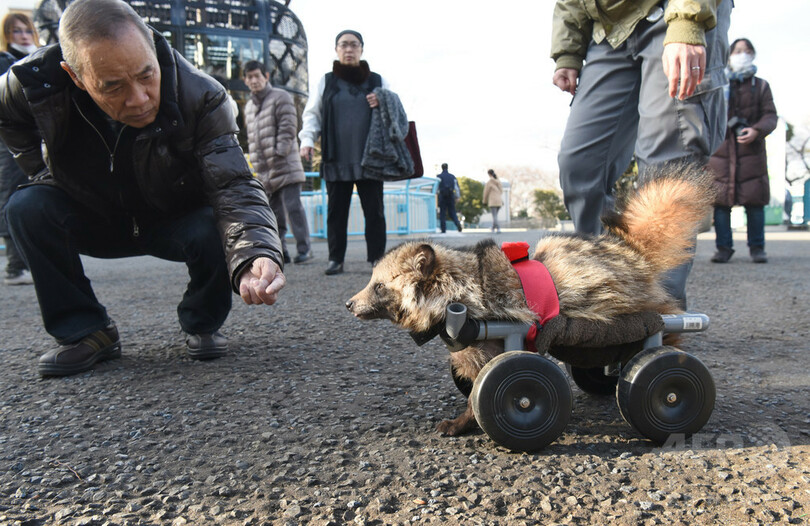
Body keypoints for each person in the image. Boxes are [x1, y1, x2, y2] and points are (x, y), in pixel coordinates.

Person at [0, 0, 285, 377]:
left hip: (172, 218)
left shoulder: (201, 95)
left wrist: (255, 253)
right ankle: (86, 330)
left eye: (146, 75)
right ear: (74, 75)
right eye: (112, 86)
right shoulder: (32, 82)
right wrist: (40, 171)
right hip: (94, 214)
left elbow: (233, 184)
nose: (138, 99)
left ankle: (203, 322)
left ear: (152, 45)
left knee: (212, 223)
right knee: (27, 206)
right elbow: (7, 118)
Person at [552, 0, 731, 308]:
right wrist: (567, 50)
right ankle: (605, 293)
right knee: (579, 165)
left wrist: (687, 21)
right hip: (608, 29)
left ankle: (657, 312)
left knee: (665, 168)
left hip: (674, 13)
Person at [299, 29, 388, 276]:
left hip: (370, 159)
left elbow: (396, 112)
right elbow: (312, 114)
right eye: (344, 45)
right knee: (336, 212)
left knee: (375, 212)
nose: (349, 49)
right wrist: (307, 140)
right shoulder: (326, 81)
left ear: (362, 49)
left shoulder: (378, 81)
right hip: (336, 157)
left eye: (354, 45)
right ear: (336, 50)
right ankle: (335, 259)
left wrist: (383, 102)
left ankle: (378, 260)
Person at [708, 38, 777, 264]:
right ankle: (723, 248)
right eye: (737, 50)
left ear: (753, 54)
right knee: (720, 203)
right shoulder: (719, 83)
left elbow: (770, 116)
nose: (742, 54)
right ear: (729, 55)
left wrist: (756, 130)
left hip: (751, 153)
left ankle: (757, 248)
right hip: (721, 152)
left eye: (746, 51)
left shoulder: (761, 86)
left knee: (755, 203)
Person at [243, 60, 313, 265]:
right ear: (245, 80)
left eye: (257, 76)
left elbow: (288, 127)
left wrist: (278, 153)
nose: (254, 80)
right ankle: (281, 250)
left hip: (285, 164)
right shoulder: (249, 106)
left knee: (293, 207)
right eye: (250, 77)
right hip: (264, 170)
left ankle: (305, 249)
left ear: (266, 76)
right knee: (273, 213)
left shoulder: (280, 96)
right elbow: (252, 138)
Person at [0, 12, 39, 285]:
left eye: (27, 30)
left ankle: (31, 263)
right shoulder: (4, 62)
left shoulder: (36, 59)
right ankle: (15, 266)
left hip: (34, 138)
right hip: (9, 141)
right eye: (16, 31)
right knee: (13, 195)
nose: (23, 36)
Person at [436, 163, 463, 233]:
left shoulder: (439, 176)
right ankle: (457, 223)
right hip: (451, 196)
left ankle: (443, 229)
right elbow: (456, 188)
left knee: (442, 213)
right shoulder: (452, 176)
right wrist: (458, 197)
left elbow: (436, 188)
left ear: (442, 168)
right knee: (452, 212)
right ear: (447, 167)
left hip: (442, 196)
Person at [483, 169, 504, 233]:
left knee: (494, 216)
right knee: (495, 216)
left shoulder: (489, 182)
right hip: (499, 201)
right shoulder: (498, 182)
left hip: (493, 201)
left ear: (489, 174)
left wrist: (484, 201)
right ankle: (493, 227)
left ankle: (498, 228)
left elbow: (486, 192)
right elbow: (501, 191)